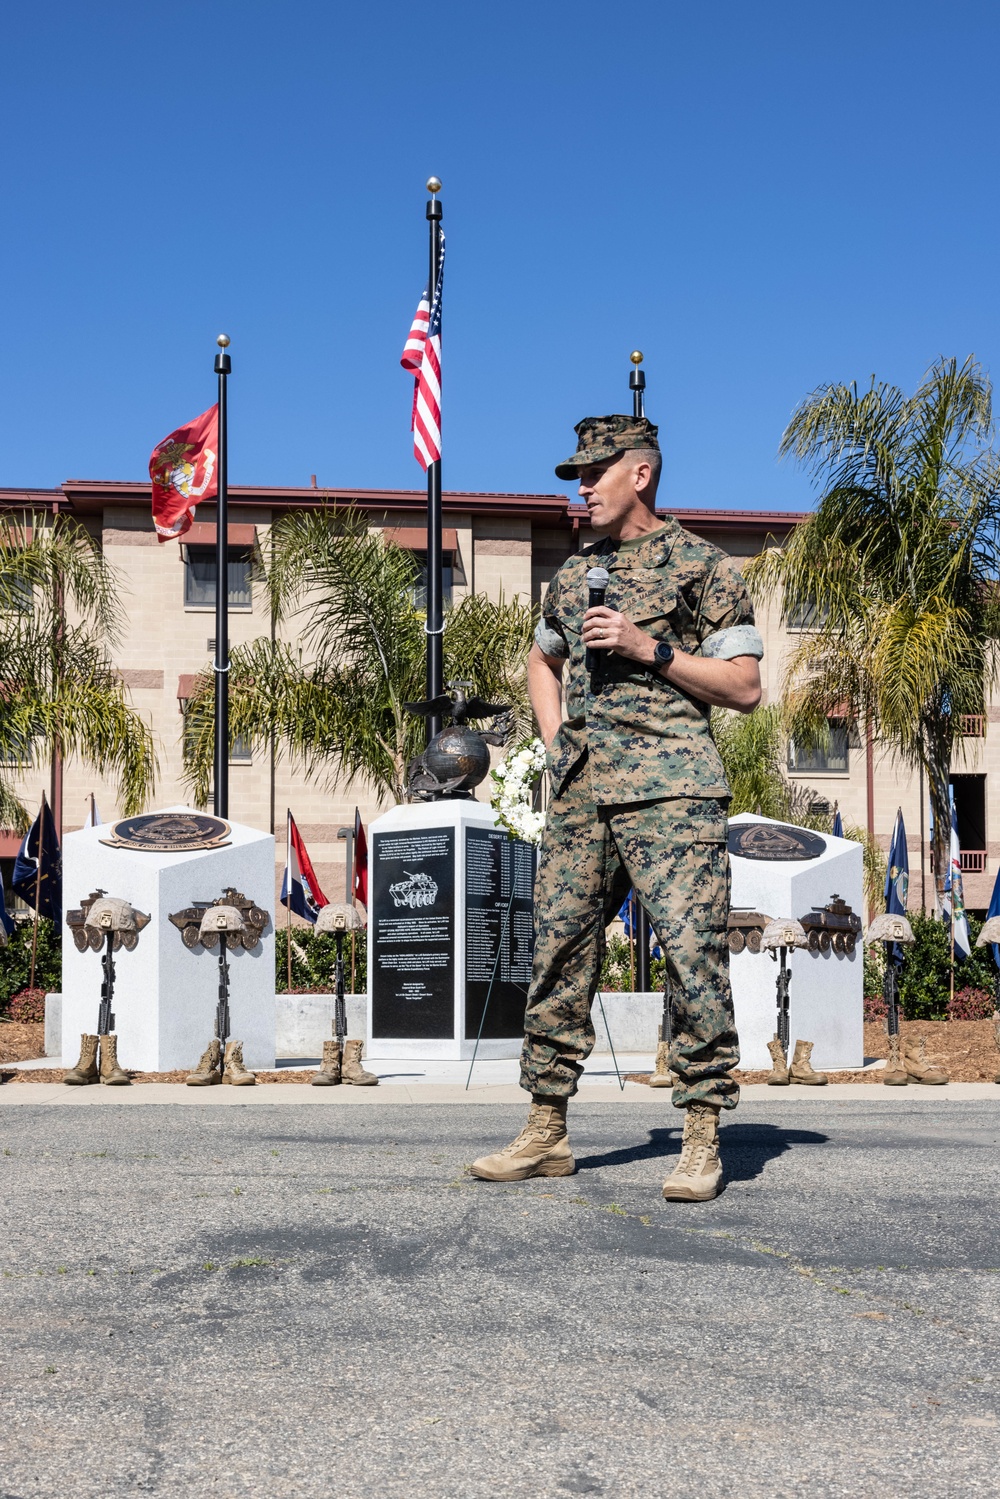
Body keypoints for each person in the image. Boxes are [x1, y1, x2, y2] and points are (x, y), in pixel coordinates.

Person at [469, 414, 763, 1201]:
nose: (581, 489)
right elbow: (540, 656)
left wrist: (648, 647)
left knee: (692, 954)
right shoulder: (572, 576)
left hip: (672, 790)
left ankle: (701, 1132)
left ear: (640, 473)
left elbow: (745, 687)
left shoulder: (703, 565)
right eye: (575, 476)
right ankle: (547, 1127)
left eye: (594, 472)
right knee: (558, 953)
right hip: (582, 793)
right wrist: (557, 735)